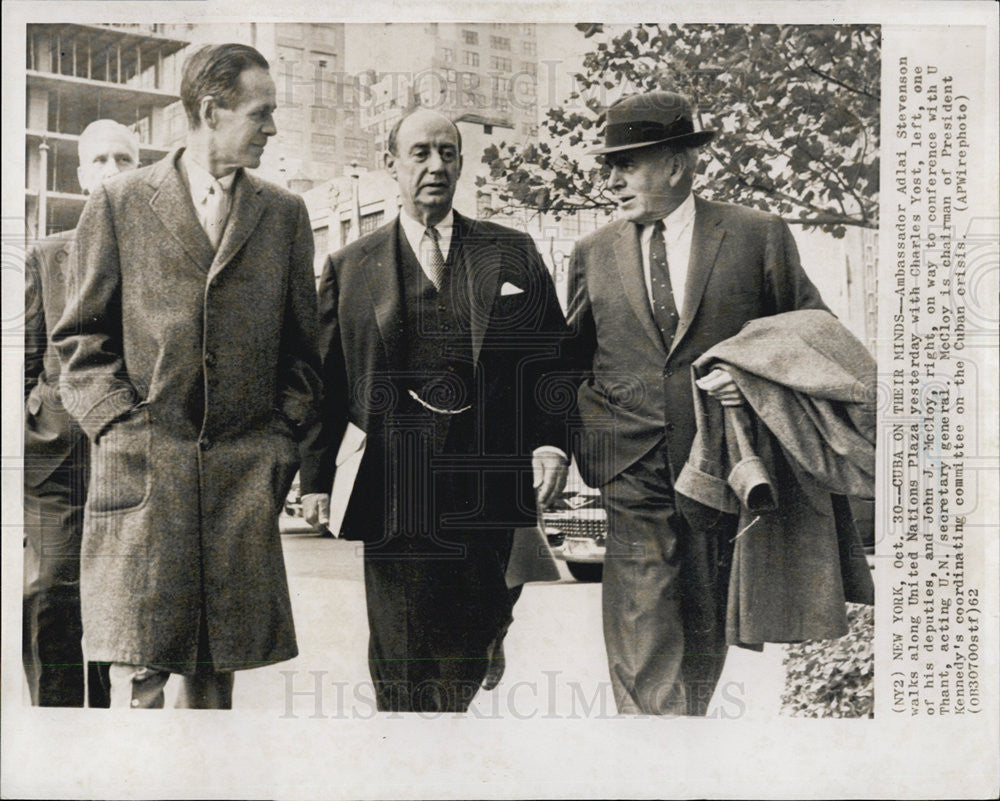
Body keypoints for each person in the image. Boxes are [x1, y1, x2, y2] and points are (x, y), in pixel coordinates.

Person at [51, 43, 321, 709]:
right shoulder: (118, 205)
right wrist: (119, 428)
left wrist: (278, 442)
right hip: (146, 479)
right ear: (210, 110)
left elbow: (304, 355)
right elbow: (79, 341)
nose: (272, 129)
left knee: (213, 679)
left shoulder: (283, 215)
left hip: (239, 486)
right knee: (143, 675)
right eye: (260, 114)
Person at [565, 90, 831, 716]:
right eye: (611, 165)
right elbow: (566, 361)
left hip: (719, 469)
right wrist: (582, 437)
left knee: (704, 626)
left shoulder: (757, 236)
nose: (613, 179)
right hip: (629, 466)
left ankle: (681, 741)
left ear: (678, 165)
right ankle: (654, 748)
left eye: (627, 163)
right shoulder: (592, 252)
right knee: (642, 620)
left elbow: (813, 335)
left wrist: (758, 380)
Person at [299, 108, 571, 713]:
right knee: (400, 661)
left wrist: (551, 442)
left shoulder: (512, 252)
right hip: (393, 484)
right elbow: (328, 382)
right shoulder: (350, 267)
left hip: (488, 484)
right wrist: (315, 479)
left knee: (469, 644)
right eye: (420, 153)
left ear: (461, 164)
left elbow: (552, 359)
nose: (435, 166)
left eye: (447, 153)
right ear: (389, 164)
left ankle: (486, 642)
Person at [23, 119, 140, 707]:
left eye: (123, 159)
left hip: (128, 455)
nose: (111, 171)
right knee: (51, 590)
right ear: (79, 173)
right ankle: (55, 731)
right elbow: (19, 361)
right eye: (99, 160)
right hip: (56, 461)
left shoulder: (153, 261)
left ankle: (104, 735)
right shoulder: (45, 255)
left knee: (115, 601)